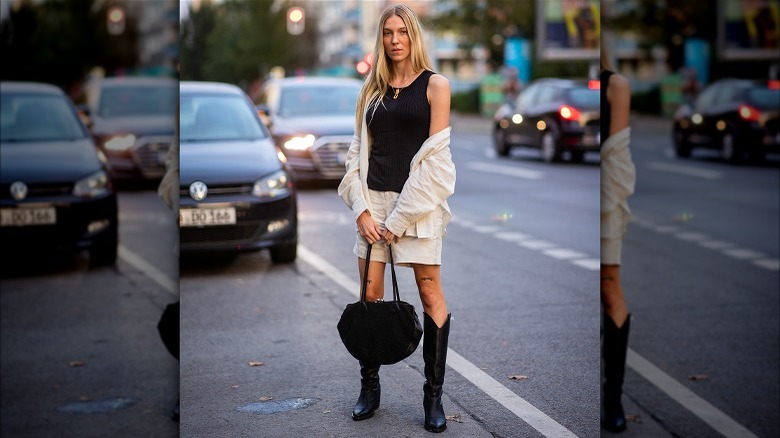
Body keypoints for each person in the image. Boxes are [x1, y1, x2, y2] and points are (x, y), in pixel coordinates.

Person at [337, 4, 455, 433]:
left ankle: (433, 398)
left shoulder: (435, 86)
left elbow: (438, 165)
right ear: (381, 38)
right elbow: (354, 156)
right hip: (375, 203)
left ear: (413, 36)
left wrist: (398, 218)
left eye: (402, 32)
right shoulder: (370, 89)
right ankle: (370, 388)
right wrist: (363, 210)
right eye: (387, 32)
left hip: (417, 205)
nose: (394, 40)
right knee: (370, 296)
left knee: (429, 295)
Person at [600, 46, 636, 433]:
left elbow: (617, 155)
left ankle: (613, 399)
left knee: (610, 287)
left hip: (606, 200)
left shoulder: (616, 86)